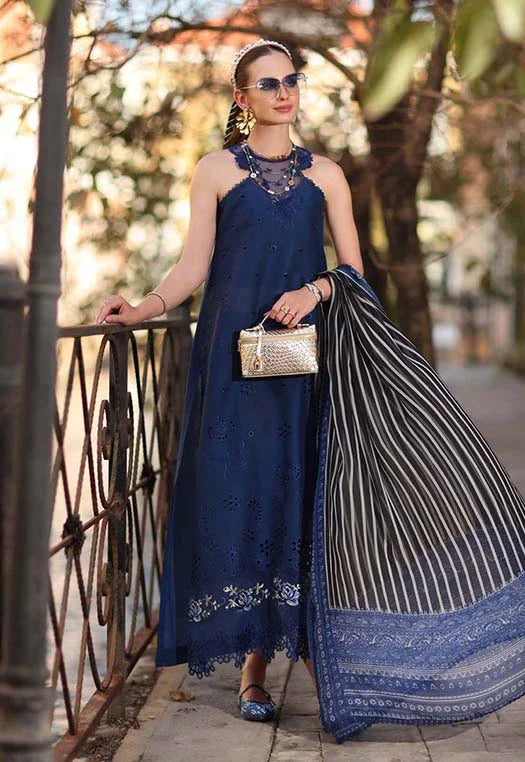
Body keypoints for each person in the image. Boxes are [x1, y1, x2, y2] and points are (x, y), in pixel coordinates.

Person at [95, 38, 364, 722]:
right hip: (228, 361)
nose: (284, 91)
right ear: (242, 98)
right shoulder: (215, 170)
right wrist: (142, 308)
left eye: (291, 80)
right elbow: (192, 267)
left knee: (293, 491)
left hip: (298, 362)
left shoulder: (328, 175)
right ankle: (252, 661)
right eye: (267, 83)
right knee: (237, 494)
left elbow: (353, 273)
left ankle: (306, 655)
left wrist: (312, 289)